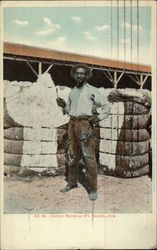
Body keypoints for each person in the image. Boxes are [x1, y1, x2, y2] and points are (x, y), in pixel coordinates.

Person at [56, 64, 111, 201]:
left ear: (86, 76)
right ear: (74, 75)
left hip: (85, 124)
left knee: (88, 156)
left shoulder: (92, 91)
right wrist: (64, 105)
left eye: (82, 73)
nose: (79, 75)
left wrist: (97, 118)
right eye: (77, 73)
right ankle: (72, 183)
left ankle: (92, 189)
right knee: (72, 155)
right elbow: (70, 110)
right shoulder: (72, 92)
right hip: (72, 123)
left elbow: (106, 106)